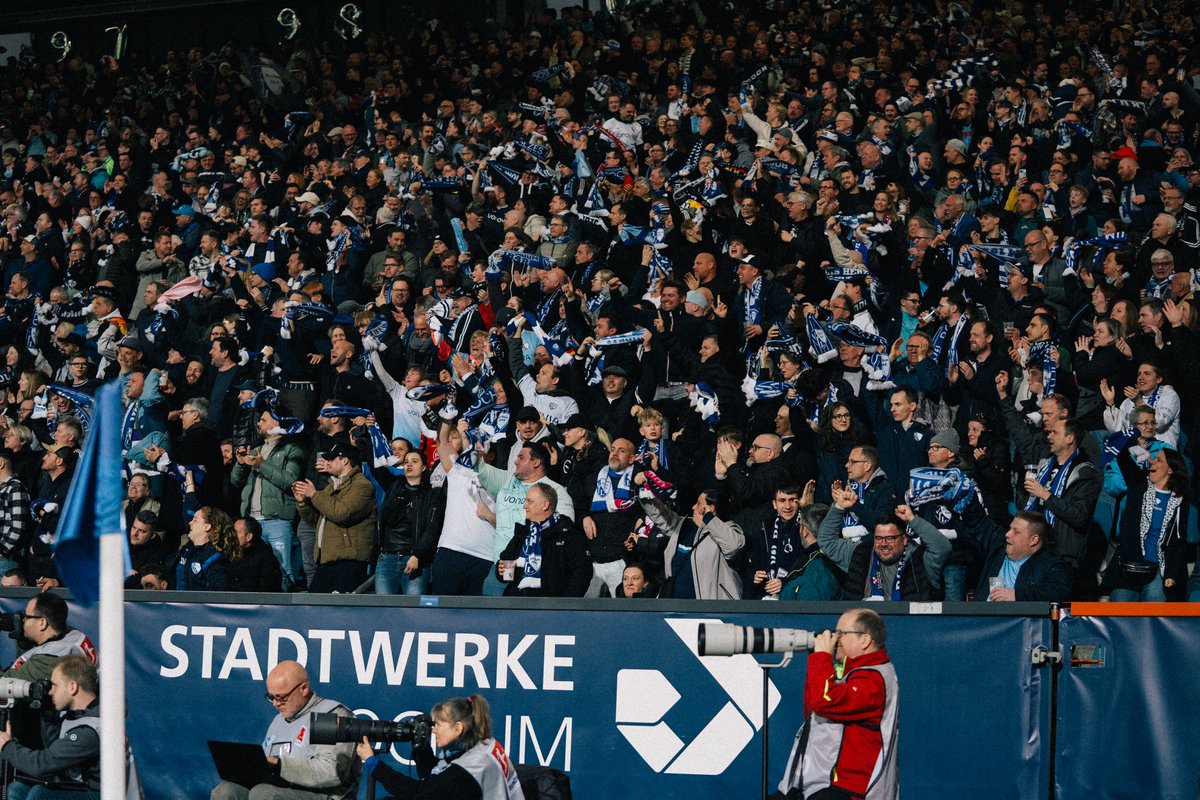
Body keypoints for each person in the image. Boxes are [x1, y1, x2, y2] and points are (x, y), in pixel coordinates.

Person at [775, 608, 898, 800]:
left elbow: (824, 701)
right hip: (822, 783)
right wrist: (816, 658)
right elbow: (812, 709)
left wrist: (821, 657)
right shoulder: (852, 672)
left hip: (850, 790)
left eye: (842, 633)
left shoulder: (874, 679)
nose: (835, 638)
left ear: (865, 640)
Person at [212, 660, 358, 800]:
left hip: (324, 795)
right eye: (271, 697)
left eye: (281, 697)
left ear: (304, 688)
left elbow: (331, 773)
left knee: (264, 794)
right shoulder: (279, 720)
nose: (275, 704)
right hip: (281, 789)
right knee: (227, 791)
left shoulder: (332, 714)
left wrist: (278, 765)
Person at [0, 655, 133, 800]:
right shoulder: (78, 714)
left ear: (72, 687)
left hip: (108, 795)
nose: (50, 691)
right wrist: (48, 715)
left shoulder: (91, 729)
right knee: (17, 790)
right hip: (86, 787)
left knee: (40, 795)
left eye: (55, 685)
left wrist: (6, 746)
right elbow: (56, 750)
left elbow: (43, 765)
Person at [355, 695, 523, 800]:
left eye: (439, 724)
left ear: (458, 728)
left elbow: (418, 794)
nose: (433, 729)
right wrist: (422, 749)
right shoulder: (484, 745)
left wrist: (372, 763)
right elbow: (437, 779)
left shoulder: (470, 768)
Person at [497, 483, 591, 597]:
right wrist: (501, 571)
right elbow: (506, 565)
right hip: (517, 603)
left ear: (545, 505)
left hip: (550, 608)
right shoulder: (523, 533)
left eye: (529, 501)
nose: (525, 506)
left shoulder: (569, 535)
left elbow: (581, 574)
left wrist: (564, 605)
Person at [3, 593, 97, 681]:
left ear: (42, 623)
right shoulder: (72, 634)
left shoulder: (48, 661)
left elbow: (6, 683)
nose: (23, 620)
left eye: (27, 617)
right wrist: (23, 641)